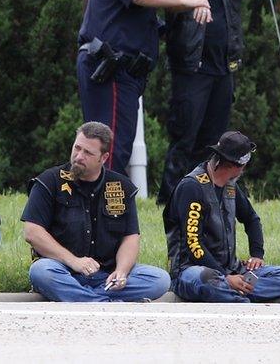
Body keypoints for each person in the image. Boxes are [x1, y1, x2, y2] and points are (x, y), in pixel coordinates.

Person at [158, 0, 280, 206]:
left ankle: (204, 198)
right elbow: (169, 1)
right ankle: (170, 201)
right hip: (191, 69)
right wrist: (192, 3)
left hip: (223, 69)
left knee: (213, 140)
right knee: (184, 137)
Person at [77, 0, 211, 175]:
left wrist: (189, 13)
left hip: (119, 73)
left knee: (108, 142)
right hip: (112, 70)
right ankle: (102, 203)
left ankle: (94, 201)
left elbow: (158, 29)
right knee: (111, 142)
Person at [21, 122, 170, 302]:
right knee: (41, 272)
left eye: (88, 153)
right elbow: (32, 232)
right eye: (77, 148)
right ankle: (100, 302)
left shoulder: (121, 187)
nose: (78, 156)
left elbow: (130, 237)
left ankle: (83, 298)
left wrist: (121, 271)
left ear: (104, 157)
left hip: (106, 274)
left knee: (160, 279)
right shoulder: (50, 181)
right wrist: (74, 261)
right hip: (63, 270)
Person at [167, 131, 280, 302]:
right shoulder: (192, 187)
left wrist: (257, 255)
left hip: (231, 269)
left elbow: (252, 219)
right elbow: (193, 242)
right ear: (237, 165)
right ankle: (242, 297)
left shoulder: (230, 187)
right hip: (192, 270)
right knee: (206, 280)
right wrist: (225, 277)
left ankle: (236, 293)